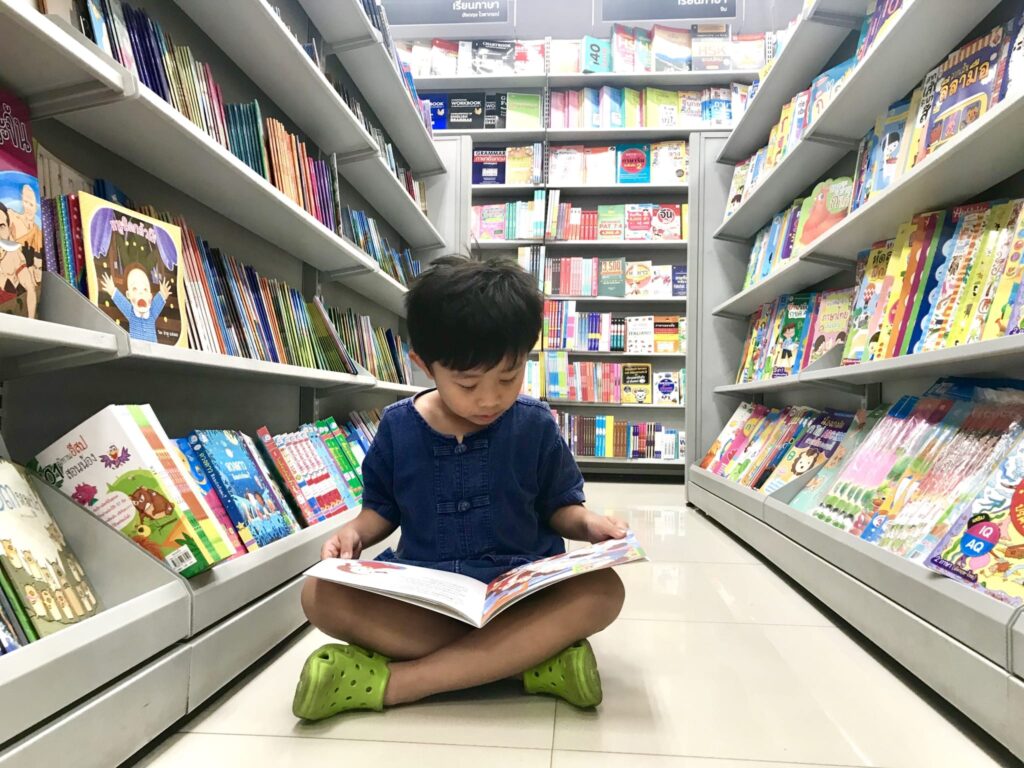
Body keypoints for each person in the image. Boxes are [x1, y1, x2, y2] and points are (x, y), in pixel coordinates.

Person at [295, 257, 627, 720]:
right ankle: (529, 663)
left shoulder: (534, 424)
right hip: (427, 597)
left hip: (519, 595)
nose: (490, 398)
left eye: (508, 378)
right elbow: (381, 509)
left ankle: (399, 683)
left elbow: (560, 506)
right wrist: (355, 533)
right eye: (467, 383)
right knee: (318, 594)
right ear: (424, 365)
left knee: (604, 590)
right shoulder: (397, 427)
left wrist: (590, 525)